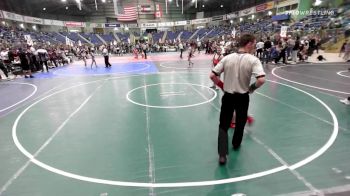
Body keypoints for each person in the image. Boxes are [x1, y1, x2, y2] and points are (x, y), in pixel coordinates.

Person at [210, 34, 266, 165]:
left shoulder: (227, 58)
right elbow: (261, 79)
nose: (255, 46)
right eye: (254, 43)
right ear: (249, 44)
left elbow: (212, 75)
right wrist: (251, 88)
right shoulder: (253, 60)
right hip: (242, 96)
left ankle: (222, 155)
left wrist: (222, 86)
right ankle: (236, 144)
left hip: (228, 96)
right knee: (240, 122)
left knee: (223, 124)